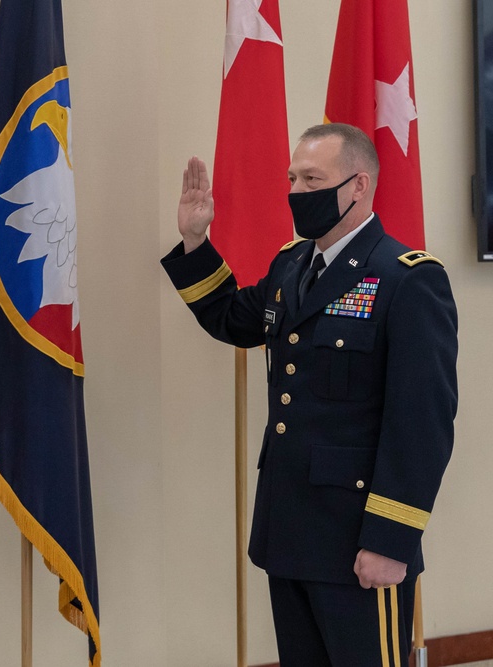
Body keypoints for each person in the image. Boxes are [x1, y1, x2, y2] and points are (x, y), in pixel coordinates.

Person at [161, 123, 457, 666]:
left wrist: (391, 539)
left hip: (359, 541)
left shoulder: (406, 279)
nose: (298, 191)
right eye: (293, 178)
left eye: (313, 178)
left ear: (358, 186)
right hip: (290, 531)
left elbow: (422, 423)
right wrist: (196, 241)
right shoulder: (291, 265)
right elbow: (232, 319)